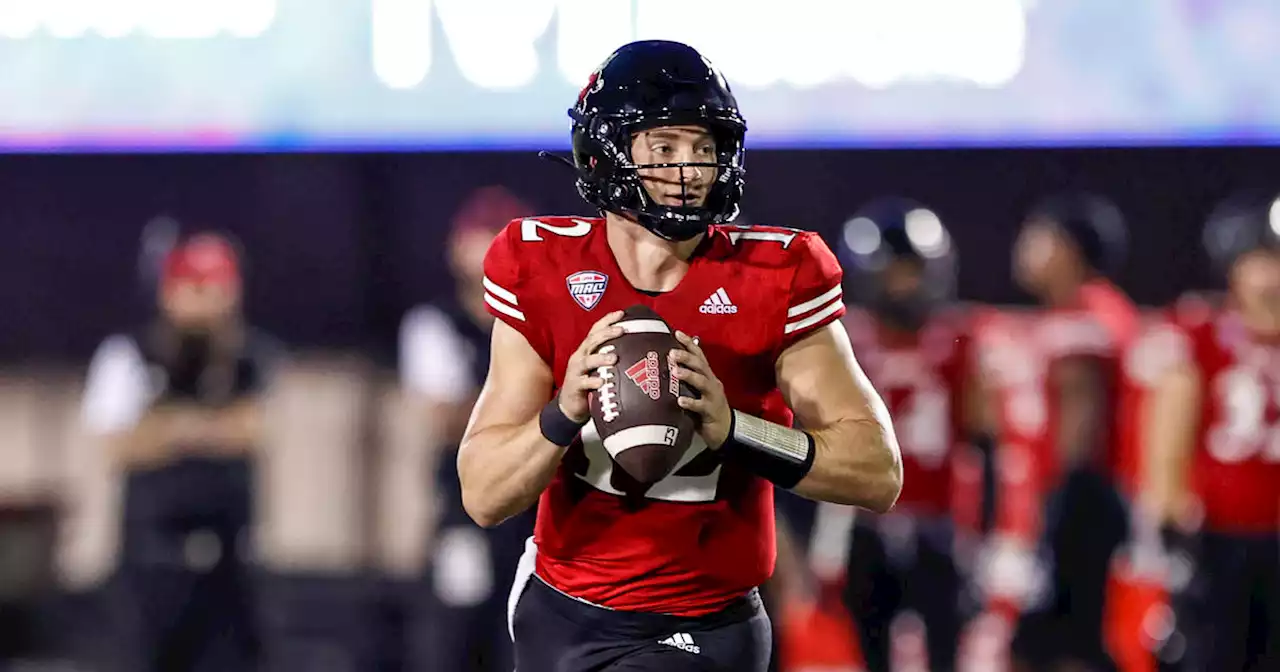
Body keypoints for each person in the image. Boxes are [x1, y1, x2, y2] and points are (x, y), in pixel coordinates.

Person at [457, 39, 903, 672]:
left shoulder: (775, 273)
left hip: (706, 622)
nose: (690, 168)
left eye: (704, 147)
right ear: (605, 152)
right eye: (664, 147)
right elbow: (482, 493)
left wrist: (736, 431)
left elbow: (878, 471)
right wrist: (562, 413)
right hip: (560, 609)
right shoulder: (542, 266)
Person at [80, 231, 280, 672]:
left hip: (229, 566)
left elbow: (248, 430)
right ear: (170, 291)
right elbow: (121, 444)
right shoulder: (130, 354)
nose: (211, 302)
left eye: (220, 288)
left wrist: (171, 426)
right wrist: (204, 426)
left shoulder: (250, 356)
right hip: (152, 568)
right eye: (198, 288)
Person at [829, 197, 987, 672]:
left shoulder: (959, 341)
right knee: (870, 654)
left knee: (945, 652)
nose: (907, 286)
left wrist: (987, 535)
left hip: (937, 526)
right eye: (896, 273)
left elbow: (983, 440)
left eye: (914, 272)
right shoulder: (844, 339)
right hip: (865, 525)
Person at [391, 185, 536, 671]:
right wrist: (538, 402)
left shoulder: (544, 323)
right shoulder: (435, 325)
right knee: (456, 635)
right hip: (467, 513)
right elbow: (445, 417)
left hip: (536, 511)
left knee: (522, 638)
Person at [1140, 191, 1280, 671]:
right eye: (1264, 261)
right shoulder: (1205, 333)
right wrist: (1169, 518)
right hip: (1224, 541)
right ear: (1235, 267)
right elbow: (1169, 434)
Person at [1000, 192, 1141, 672]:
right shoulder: (1077, 312)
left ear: (1070, 249)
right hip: (1080, 501)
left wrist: (1054, 512)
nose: (1024, 248)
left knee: (1060, 647)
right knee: (1058, 643)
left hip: (1080, 502)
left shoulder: (1083, 315)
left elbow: (1081, 424)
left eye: (1040, 238)